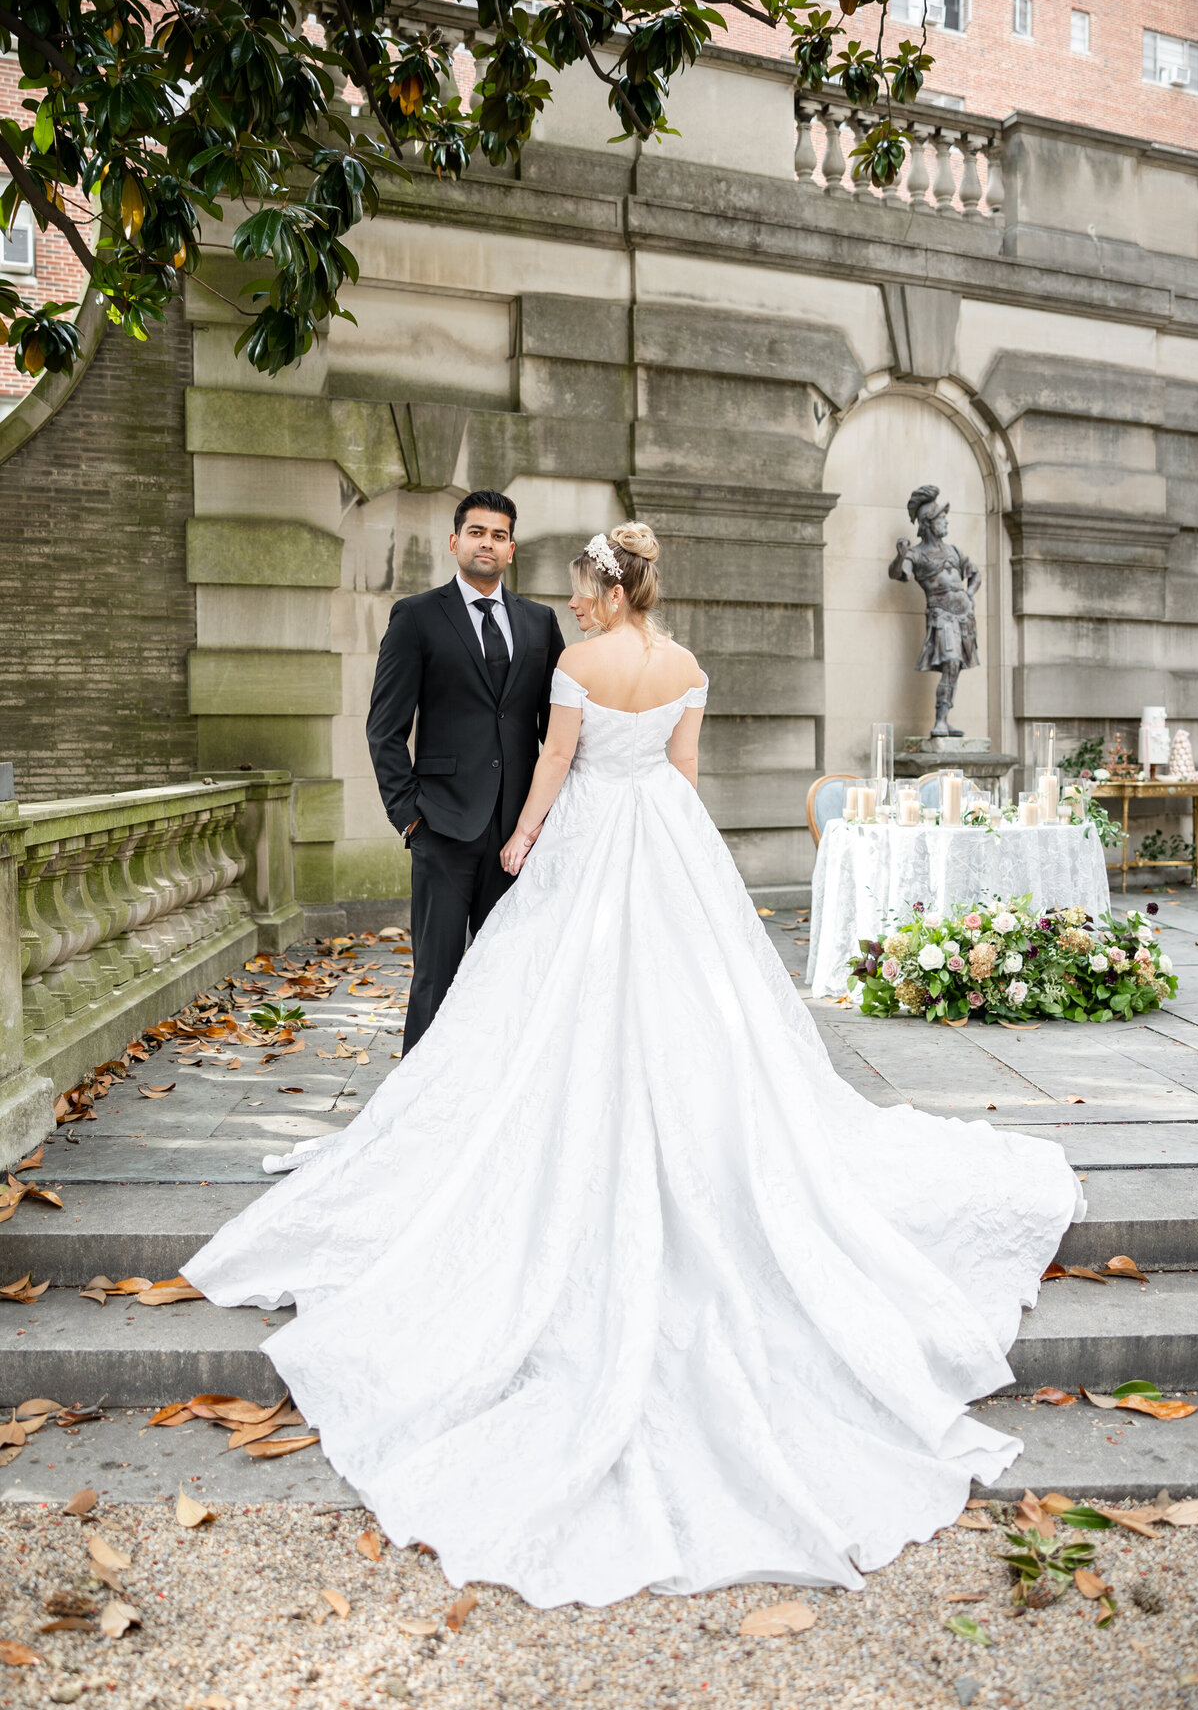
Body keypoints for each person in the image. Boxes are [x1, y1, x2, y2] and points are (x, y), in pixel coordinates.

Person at [184, 521, 1083, 1611]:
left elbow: (557, 769)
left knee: (546, 1004)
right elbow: (683, 772)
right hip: (668, 842)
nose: (575, 600)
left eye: (581, 584)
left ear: (609, 589)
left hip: (592, 840)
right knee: (706, 1013)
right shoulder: (686, 666)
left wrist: (517, 846)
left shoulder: (575, 663)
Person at [365, 488, 564, 1051]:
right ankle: (418, 1110)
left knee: (511, 976)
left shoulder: (540, 623)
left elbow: (556, 732)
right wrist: (409, 818)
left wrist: (544, 819)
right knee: (436, 978)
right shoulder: (417, 617)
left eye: (498, 535)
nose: (487, 543)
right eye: (477, 532)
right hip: (442, 830)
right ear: (455, 542)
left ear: (512, 549)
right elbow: (384, 728)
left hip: (517, 835)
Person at [888, 483, 981, 738]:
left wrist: (970, 596)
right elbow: (899, 574)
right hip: (941, 616)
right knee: (951, 662)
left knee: (955, 669)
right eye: (942, 518)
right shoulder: (916, 554)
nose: (946, 522)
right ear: (928, 522)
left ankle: (945, 718)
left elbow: (975, 575)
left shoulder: (954, 550)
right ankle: (940, 721)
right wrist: (900, 555)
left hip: (964, 617)